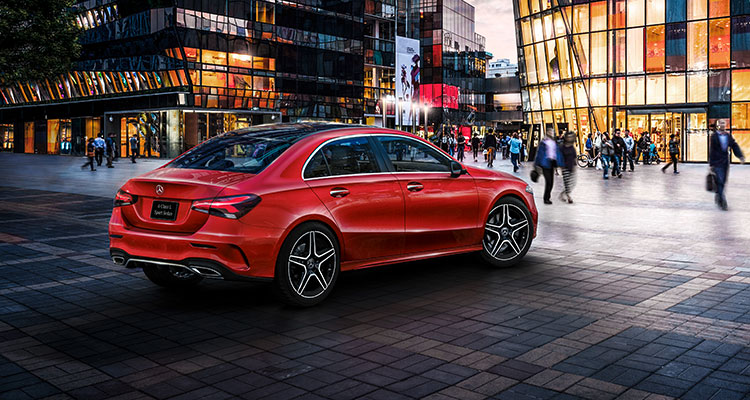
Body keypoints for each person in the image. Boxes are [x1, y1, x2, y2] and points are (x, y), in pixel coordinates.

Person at [709, 120, 745, 210]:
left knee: (723, 180)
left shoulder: (728, 136)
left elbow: (734, 145)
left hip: (725, 162)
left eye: (723, 123)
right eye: (721, 123)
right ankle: (723, 202)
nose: (722, 125)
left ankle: (718, 195)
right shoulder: (714, 137)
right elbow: (712, 151)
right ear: (718, 125)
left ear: (726, 125)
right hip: (717, 162)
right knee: (720, 181)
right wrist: (711, 164)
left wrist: (740, 156)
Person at [534, 127, 559, 204]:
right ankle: (546, 198)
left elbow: (556, 152)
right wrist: (536, 164)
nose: (552, 133)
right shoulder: (544, 142)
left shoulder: (554, 142)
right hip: (545, 164)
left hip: (552, 163)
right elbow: (539, 153)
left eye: (552, 132)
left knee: (551, 182)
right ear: (547, 133)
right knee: (548, 181)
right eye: (550, 132)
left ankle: (548, 197)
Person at [559, 131, 577, 203]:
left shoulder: (572, 147)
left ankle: (563, 194)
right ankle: (569, 197)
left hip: (572, 167)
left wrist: (575, 165)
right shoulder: (562, 147)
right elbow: (559, 157)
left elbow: (574, 156)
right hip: (565, 167)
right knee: (567, 183)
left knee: (573, 183)